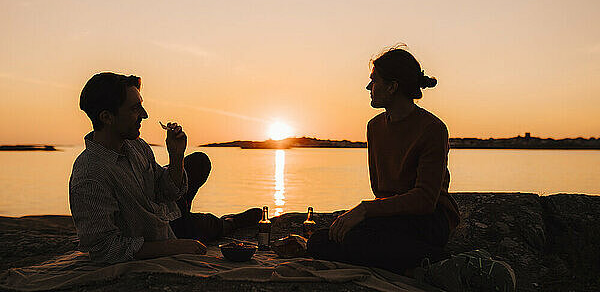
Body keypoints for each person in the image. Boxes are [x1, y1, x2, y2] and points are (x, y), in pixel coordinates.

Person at [306, 47, 516, 291]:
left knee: (354, 240)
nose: (368, 87)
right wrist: (368, 216)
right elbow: (381, 190)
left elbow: (425, 200)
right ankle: (419, 268)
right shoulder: (374, 127)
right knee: (320, 241)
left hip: (428, 219)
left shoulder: (432, 129)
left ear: (393, 86)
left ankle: (450, 263)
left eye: (374, 80)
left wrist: (365, 210)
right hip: (393, 218)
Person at [70, 72, 260, 263]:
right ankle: (230, 223)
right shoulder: (90, 174)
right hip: (153, 237)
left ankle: (189, 216)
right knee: (204, 227)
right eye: (135, 109)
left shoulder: (136, 145)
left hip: (163, 215)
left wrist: (176, 155)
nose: (144, 115)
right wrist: (175, 246)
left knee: (199, 161)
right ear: (107, 117)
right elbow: (104, 249)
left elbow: (166, 192)